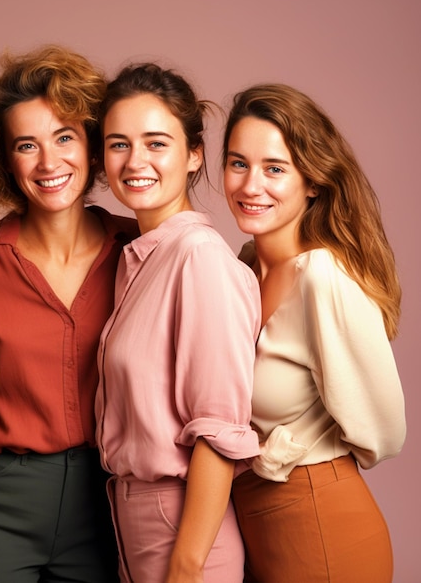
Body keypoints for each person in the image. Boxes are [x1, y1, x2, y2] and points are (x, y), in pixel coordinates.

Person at [0, 45, 136, 582]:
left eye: (64, 137)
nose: (49, 163)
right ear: (7, 160)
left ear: (92, 144)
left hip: (107, 498)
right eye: (27, 145)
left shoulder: (141, 248)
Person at [223, 83, 406, 582]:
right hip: (255, 528)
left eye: (274, 168)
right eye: (238, 163)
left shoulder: (321, 277)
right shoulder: (243, 268)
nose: (250, 185)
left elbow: (385, 434)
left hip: (319, 521)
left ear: (312, 181)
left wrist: (293, 446)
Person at [95, 63, 262, 583]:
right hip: (131, 525)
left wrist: (186, 567)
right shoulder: (139, 258)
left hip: (183, 534)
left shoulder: (200, 258)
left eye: (156, 143)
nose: (135, 161)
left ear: (193, 155)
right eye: (118, 144)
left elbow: (218, 429)